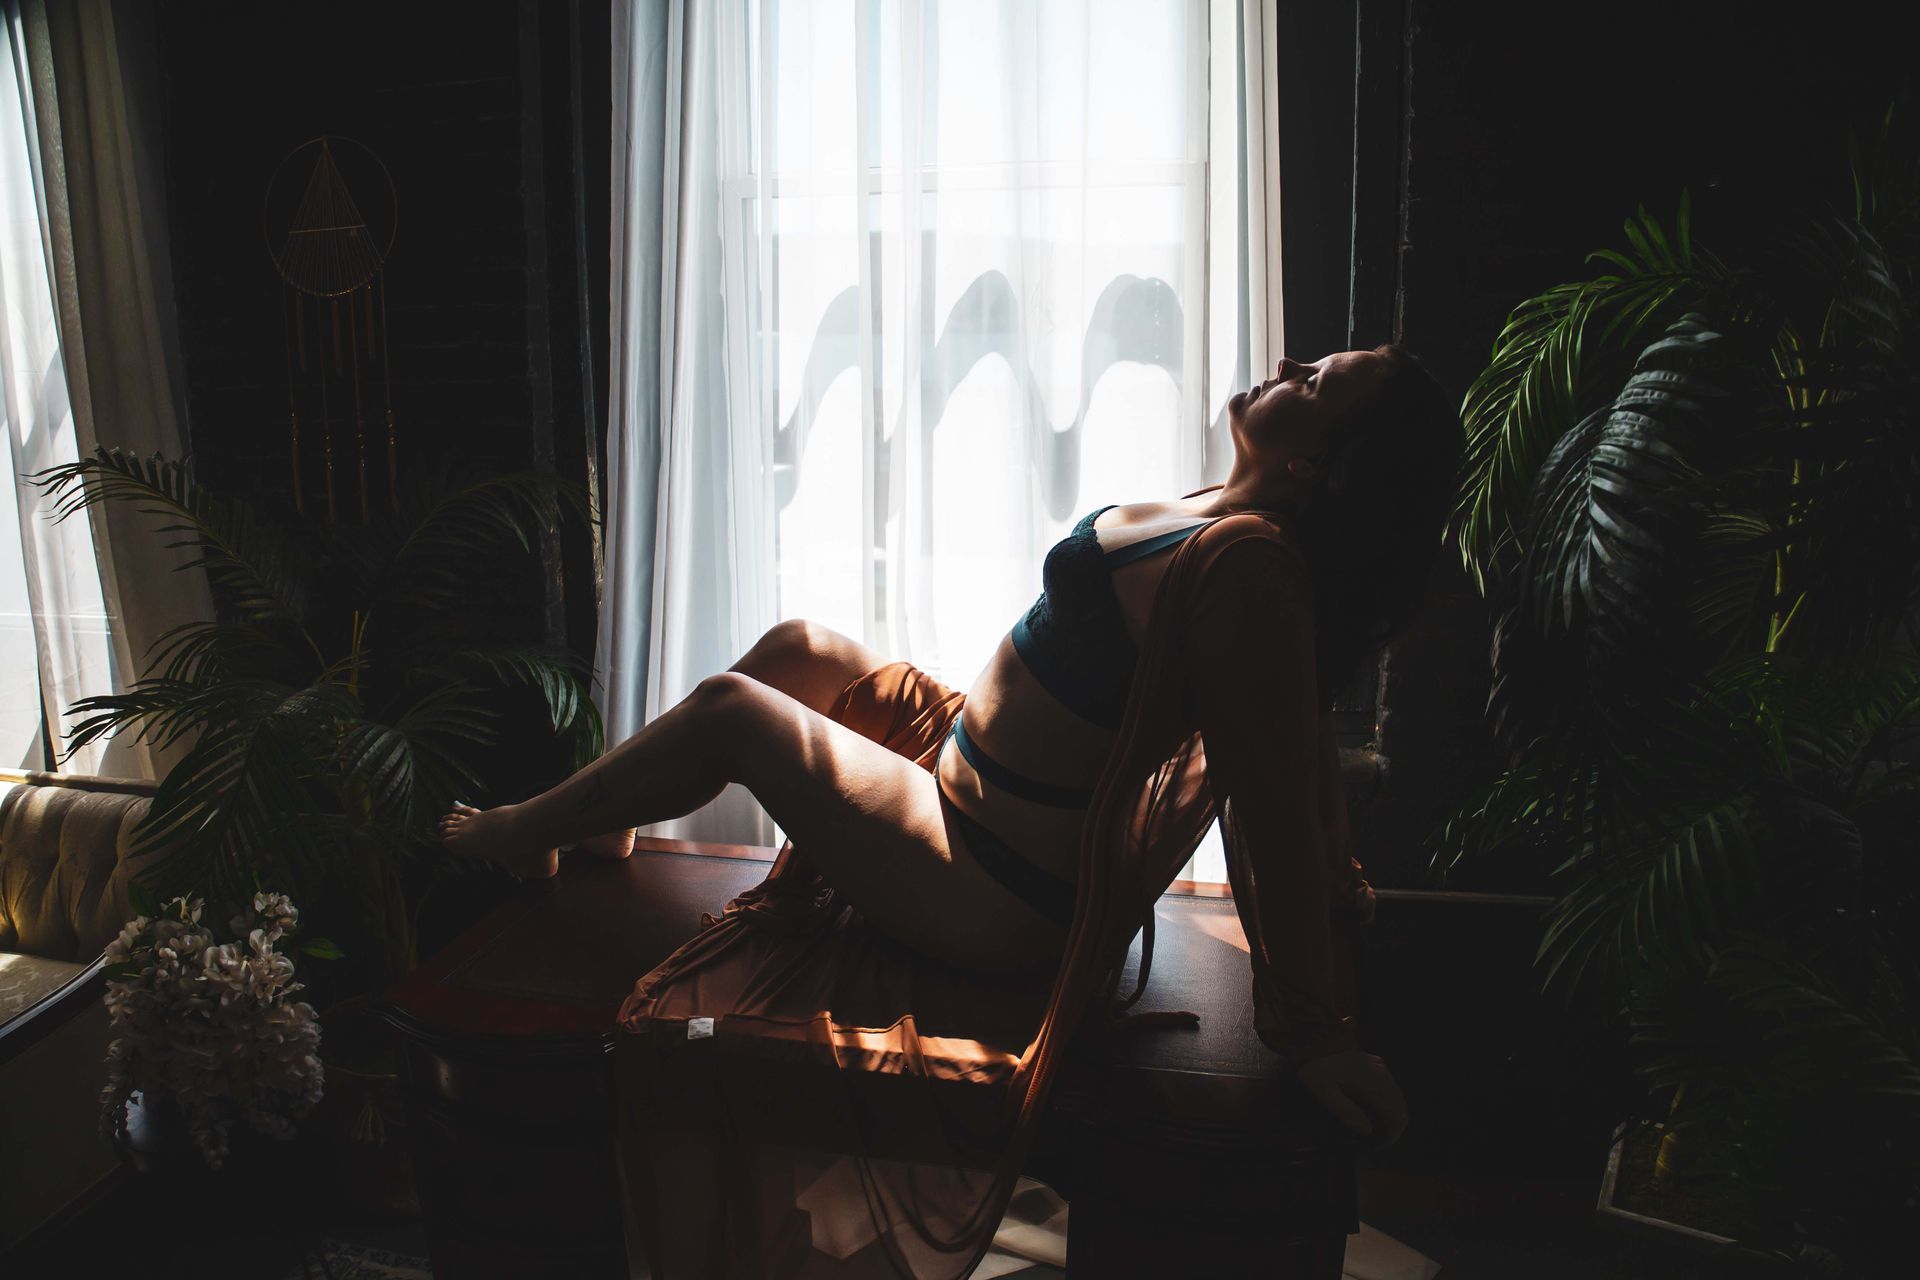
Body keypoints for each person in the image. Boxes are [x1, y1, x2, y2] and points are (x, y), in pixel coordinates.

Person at [441, 344, 1460, 1274]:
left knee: (733, 715)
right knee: (801, 644)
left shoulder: (1252, 572)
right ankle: (604, 813)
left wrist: (1317, 1027)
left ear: (1317, 466)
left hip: (991, 875)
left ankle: (524, 828)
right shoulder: (1224, 515)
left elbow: (1276, 774)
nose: (1288, 362)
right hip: (961, 763)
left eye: (1317, 381)